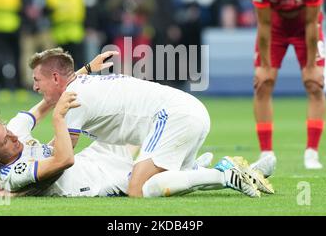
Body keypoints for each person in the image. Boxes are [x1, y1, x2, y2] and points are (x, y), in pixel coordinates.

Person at [29, 48, 272, 197]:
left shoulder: (73, 99)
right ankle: (235, 171)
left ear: (55, 77)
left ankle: (226, 176)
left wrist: (26, 179)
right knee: (176, 178)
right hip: (188, 110)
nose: (34, 86)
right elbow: (61, 144)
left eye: (37, 79)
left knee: (137, 188)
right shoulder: (80, 86)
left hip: (174, 117)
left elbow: (64, 155)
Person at [251, 0, 326, 170]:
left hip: (306, 29)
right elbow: (263, 24)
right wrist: (264, 65)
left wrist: (312, 64)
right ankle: (266, 153)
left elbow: (312, 24)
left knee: (314, 84)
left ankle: (312, 153)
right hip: (275, 30)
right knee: (263, 84)